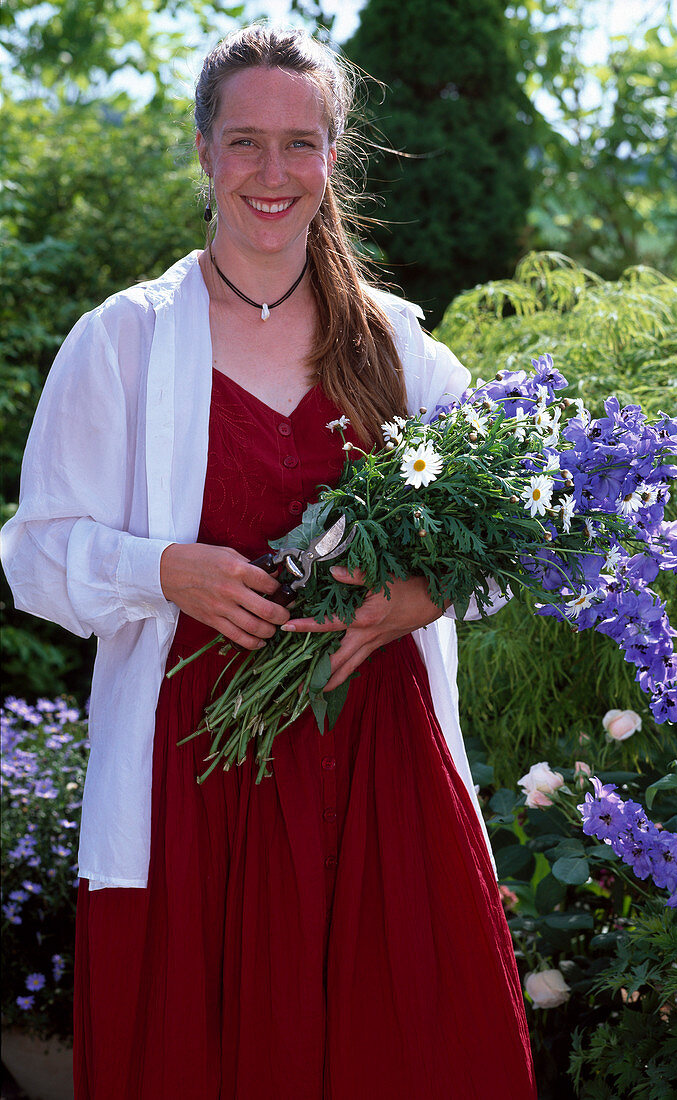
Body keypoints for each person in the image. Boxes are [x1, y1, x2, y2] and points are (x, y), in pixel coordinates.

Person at [0, 23, 537, 1100]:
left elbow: (508, 530)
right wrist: (164, 569)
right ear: (203, 152)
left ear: (334, 158)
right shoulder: (121, 342)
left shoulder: (396, 345)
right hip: (200, 777)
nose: (273, 171)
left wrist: (412, 597)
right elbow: (36, 556)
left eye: (301, 143)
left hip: (380, 771)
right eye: (245, 142)